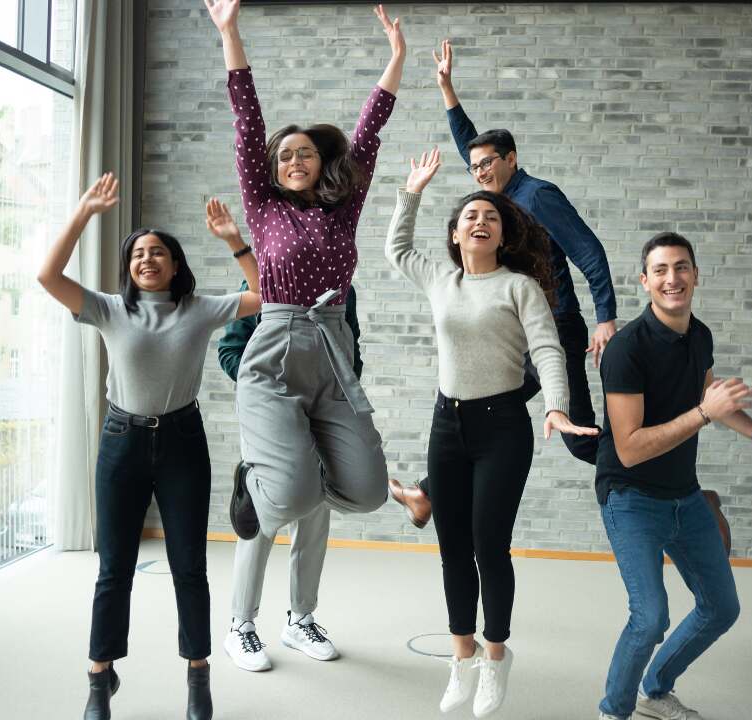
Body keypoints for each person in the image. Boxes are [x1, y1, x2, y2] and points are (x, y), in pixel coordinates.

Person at [37, 174, 260, 720]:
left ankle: (198, 676)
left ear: (175, 264)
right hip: (122, 443)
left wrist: (235, 241)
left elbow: (267, 296)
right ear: (128, 266)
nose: (147, 259)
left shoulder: (199, 308)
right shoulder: (109, 309)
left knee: (190, 567)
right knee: (114, 568)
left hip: (183, 443)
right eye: (137, 253)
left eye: (157, 251)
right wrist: (83, 212)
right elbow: (48, 276)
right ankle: (99, 677)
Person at [386, 148, 597, 718]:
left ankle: (496, 655)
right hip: (446, 425)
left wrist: (555, 407)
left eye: (492, 217)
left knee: (488, 545)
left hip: (502, 427)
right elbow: (396, 249)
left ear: (503, 235)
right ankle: (463, 654)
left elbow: (548, 349)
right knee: (451, 546)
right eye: (470, 216)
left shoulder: (519, 287)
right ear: (456, 233)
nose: (481, 221)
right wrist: (412, 192)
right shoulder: (440, 278)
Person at [388, 38, 618, 525]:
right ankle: (428, 493)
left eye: (487, 164)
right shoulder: (500, 202)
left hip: (554, 328)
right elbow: (469, 145)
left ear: (512, 159)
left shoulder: (538, 196)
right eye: (474, 168)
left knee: (576, 437)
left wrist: (607, 318)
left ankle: (655, 476)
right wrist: (447, 90)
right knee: (488, 413)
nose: (478, 172)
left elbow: (589, 252)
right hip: (522, 332)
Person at [203, 0, 406, 542]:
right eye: (286, 155)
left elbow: (368, 133)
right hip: (276, 347)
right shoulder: (263, 208)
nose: (296, 160)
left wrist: (396, 59)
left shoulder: (344, 209)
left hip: (333, 349)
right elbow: (248, 122)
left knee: (368, 492)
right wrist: (230, 33)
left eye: (307, 153)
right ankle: (257, 478)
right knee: (291, 499)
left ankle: (298, 467)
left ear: (322, 163)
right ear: (272, 168)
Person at [594, 232, 752, 720]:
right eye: (661, 270)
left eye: (682, 267)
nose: (673, 278)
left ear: (696, 275)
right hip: (630, 495)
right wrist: (705, 414)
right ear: (645, 281)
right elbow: (629, 449)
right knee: (650, 618)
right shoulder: (626, 350)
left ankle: (655, 690)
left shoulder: (700, 335)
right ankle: (614, 711)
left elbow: (711, 400)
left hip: (683, 495)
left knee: (722, 608)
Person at [215, 282, 362, 671]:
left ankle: (301, 620)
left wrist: (338, 396)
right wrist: (267, 392)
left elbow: (351, 351)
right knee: (264, 515)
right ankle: (240, 625)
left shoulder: (342, 287)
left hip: (323, 412)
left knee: (315, 511)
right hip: (270, 415)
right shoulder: (262, 281)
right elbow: (230, 350)